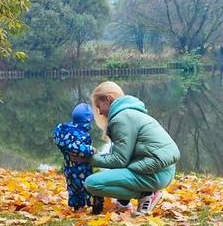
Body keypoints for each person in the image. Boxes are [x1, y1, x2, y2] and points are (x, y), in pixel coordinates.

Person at [70, 81, 181, 215]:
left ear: (108, 99)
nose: (99, 113)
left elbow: (120, 160)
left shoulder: (121, 119)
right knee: (112, 166)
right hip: (162, 170)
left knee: (92, 183)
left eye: (99, 106)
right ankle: (130, 200)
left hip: (155, 174)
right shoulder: (130, 113)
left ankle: (146, 194)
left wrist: (88, 159)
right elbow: (122, 158)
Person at [53, 103, 104, 214]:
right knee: (88, 188)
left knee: (74, 189)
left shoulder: (63, 130)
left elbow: (59, 140)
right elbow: (81, 150)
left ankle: (78, 210)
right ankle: (97, 205)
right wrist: (93, 150)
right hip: (81, 170)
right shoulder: (82, 135)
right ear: (87, 122)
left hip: (68, 168)